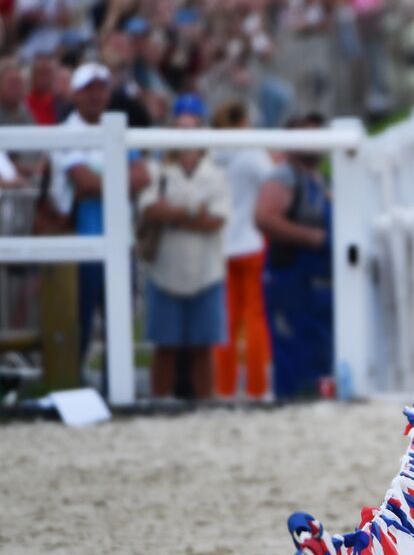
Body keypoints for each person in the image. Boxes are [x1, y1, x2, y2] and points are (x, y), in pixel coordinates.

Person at [48, 62, 151, 366]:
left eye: (101, 88)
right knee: (78, 324)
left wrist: (98, 182)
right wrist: (119, 180)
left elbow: (141, 177)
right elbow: (84, 181)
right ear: (75, 95)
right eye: (88, 89)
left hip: (120, 240)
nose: (96, 95)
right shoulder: (66, 132)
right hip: (81, 241)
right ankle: (73, 385)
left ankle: (112, 390)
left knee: (118, 323)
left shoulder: (115, 128)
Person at [138, 94, 230, 401]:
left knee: (203, 346)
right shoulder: (157, 169)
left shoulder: (215, 172)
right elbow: (150, 210)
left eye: (192, 127)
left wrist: (174, 215)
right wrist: (192, 213)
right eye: (181, 128)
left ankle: (204, 404)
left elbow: (216, 219)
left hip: (206, 269)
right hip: (166, 266)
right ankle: (160, 402)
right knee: (165, 345)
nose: (186, 136)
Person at [254, 112, 333, 400]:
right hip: (290, 277)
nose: (314, 142)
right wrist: (314, 238)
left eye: (317, 133)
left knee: (315, 353)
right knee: (291, 352)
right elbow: (264, 218)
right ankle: (289, 400)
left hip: (314, 284)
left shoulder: (318, 179)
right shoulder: (284, 176)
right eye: (306, 134)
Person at [211, 101, 273, 400]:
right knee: (255, 318)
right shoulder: (251, 153)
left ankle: (223, 386)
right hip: (250, 241)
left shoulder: (211, 153)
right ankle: (256, 387)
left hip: (220, 244)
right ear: (244, 121)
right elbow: (272, 181)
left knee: (226, 320)